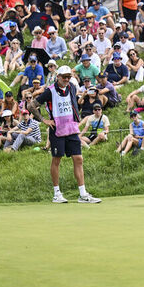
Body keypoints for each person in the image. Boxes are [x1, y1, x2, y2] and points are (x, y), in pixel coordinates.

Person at [30, 65, 101, 203]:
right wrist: (44, 120)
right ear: (58, 77)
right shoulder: (49, 91)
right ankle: (57, 194)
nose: (67, 79)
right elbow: (32, 105)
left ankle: (83, 194)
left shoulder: (72, 87)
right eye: (64, 77)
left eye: (69, 77)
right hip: (57, 129)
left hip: (72, 128)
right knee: (57, 159)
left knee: (78, 159)